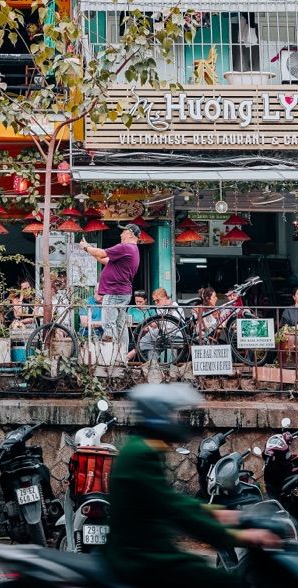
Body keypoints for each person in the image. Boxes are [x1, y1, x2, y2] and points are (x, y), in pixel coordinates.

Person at [104, 383, 281, 588]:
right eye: (172, 414)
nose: (175, 421)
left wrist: (225, 514)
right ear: (157, 414)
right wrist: (240, 536)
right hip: (141, 559)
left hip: (145, 553)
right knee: (222, 582)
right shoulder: (141, 454)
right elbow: (177, 512)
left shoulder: (142, 447)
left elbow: (171, 500)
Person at [79, 223, 141, 357]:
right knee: (120, 325)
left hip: (114, 292)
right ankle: (122, 355)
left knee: (109, 324)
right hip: (123, 292)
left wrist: (86, 247)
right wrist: (88, 250)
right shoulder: (133, 250)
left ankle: (111, 356)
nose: (120, 234)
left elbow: (101, 253)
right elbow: (104, 260)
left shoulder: (125, 247)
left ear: (130, 233)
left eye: (123, 232)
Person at [127, 288, 184, 361]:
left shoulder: (175, 309)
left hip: (173, 334)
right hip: (162, 334)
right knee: (147, 339)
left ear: (165, 298)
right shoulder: (161, 308)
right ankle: (151, 363)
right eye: (155, 301)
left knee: (149, 339)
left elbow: (172, 326)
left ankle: (131, 355)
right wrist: (152, 326)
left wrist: (157, 324)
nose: (156, 303)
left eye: (158, 300)